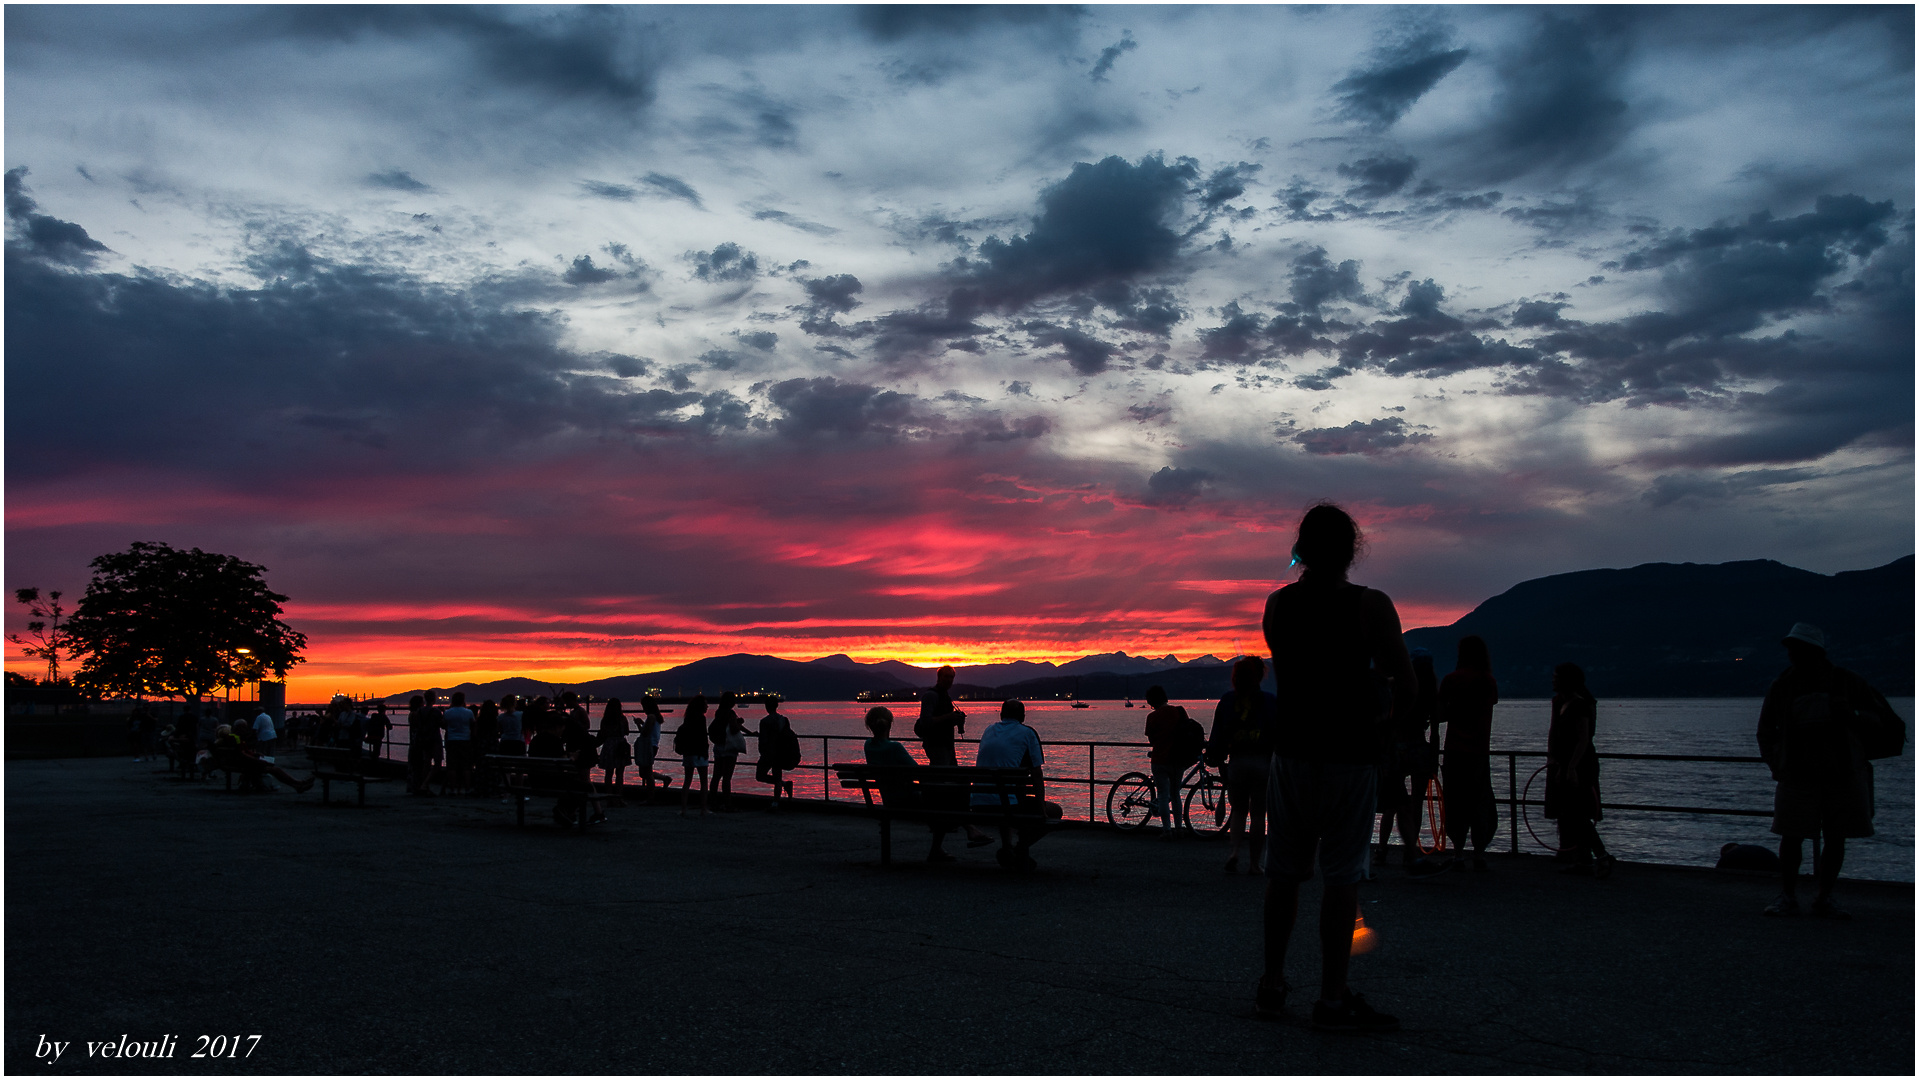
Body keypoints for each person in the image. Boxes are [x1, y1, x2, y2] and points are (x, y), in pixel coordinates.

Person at [1257, 502, 1412, 1033]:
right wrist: (1385, 710)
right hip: (1349, 755)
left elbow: (1294, 669)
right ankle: (1332, 996)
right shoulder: (1371, 606)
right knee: (1342, 875)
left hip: (1291, 753)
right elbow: (1402, 678)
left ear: (1301, 548)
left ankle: (1272, 983)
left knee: (1284, 873)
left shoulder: (1277, 607)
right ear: (1351, 551)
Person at [1756, 623, 1899, 920]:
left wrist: (1853, 715)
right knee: (1792, 835)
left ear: (1815, 651)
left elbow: (1884, 722)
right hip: (1798, 774)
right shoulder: (1782, 686)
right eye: (1791, 648)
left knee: (1835, 836)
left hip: (1842, 773)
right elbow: (1766, 730)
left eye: (1798, 648)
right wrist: (1776, 764)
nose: (1792, 653)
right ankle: (1789, 895)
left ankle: (1822, 896)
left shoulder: (1849, 683)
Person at [1208, 659, 1279, 872]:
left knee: (1238, 810)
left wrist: (1216, 758)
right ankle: (1255, 864)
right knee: (1258, 814)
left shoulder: (1227, 700)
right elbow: (1279, 734)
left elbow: (1218, 734)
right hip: (1263, 763)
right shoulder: (1270, 701)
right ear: (1260, 676)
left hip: (1236, 762)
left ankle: (1234, 852)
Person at [973, 699, 1060, 870]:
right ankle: (1020, 850)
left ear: (1001, 714)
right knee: (1054, 811)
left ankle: (1008, 850)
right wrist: (1041, 807)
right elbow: (1037, 773)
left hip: (978, 803)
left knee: (1007, 797)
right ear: (1023, 716)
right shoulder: (1027, 733)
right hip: (1005, 806)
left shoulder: (988, 730)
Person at [1545, 662, 1614, 878]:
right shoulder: (1564, 703)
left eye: (1556, 676)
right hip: (1567, 763)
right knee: (1569, 812)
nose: (1553, 679)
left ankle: (1602, 856)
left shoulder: (1580, 705)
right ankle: (1585, 860)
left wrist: (1572, 767)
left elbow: (1584, 739)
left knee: (1577, 813)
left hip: (1580, 765)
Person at [864, 706, 956, 862]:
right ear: (890, 724)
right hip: (907, 799)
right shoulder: (895, 747)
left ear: (870, 726)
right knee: (943, 800)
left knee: (938, 800)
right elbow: (918, 771)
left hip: (888, 800)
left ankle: (967, 828)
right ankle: (937, 849)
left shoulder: (868, 746)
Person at [1439, 636, 1499, 871]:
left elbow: (1441, 714)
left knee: (1455, 801)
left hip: (1455, 750)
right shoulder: (1488, 681)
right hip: (1480, 751)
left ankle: (1458, 853)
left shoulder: (1451, 680)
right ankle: (1480, 853)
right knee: (1480, 800)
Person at [916, 666, 991, 846]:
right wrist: (949, 717)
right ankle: (967, 826)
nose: (949, 680)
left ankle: (960, 827)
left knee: (955, 787)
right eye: (946, 677)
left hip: (947, 748)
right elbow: (926, 721)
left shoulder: (944, 697)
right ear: (938, 677)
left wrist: (955, 721)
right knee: (951, 788)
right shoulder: (931, 696)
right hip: (938, 747)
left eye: (952, 677)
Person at [1143, 686, 1197, 832]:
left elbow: (1152, 741)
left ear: (1151, 701)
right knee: (1175, 794)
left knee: (1162, 795)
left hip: (1159, 759)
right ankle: (1179, 828)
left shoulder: (1152, 717)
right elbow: (1188, 731)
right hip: (1177, 759)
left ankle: (1167, 830)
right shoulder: (1179, 711)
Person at [755, 696, 798, 809]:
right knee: (777, 775)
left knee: (760, 775)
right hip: (781, 752)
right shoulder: (784, 720)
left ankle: (777, 800)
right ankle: (777, 799)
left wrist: (762, 752)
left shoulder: (764, 722)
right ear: (777, 706)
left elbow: (763, 740)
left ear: (766, 707)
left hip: (769, 753)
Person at [708, 692, 748, 811]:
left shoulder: (718, 712)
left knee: (716, 776)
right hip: (729, 748)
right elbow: (735, 729)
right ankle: (727, 803)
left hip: (718, 746)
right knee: (727, 777)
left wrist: (741, 725)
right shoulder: (731, 713)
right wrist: (740, 723)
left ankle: (713, 802)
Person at [676, 695, 711, 817]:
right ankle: (703, 808)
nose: (707, 706)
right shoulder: (701, 718)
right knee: (703, 782)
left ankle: (684, 809)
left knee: (687, 781)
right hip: (700, 753)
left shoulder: (688, 718)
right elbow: (702, 737)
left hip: (688, 753)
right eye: (706, 704)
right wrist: (705, 752)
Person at [407, 693, 441, 796]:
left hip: (417, 742)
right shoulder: (420, 713)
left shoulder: (414, 714)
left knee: (419, 765)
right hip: (422, 741)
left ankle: (418, 787)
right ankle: (423, 786)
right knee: (423, 764)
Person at [441, 692, 475, 795]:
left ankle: (452, 789)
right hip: (465, 740)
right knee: (466, 766)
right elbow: (473, 725)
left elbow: (443, 725)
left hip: (451, 740)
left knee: (451, 766)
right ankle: (467, 788)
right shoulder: (469, 712)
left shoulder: (447, 713)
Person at [635, 697, 671, 793]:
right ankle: (664, 778)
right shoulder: (655, 717)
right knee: (645, 772)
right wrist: (643, 723)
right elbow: (649, 730)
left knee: (647, 773)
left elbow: (645, 733)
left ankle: (651, 796)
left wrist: (638, 724)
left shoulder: (651, 717)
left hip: (648, 747)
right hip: (652, 746)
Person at [599, 699, 632, 801]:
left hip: (609, 745)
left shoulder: (605, 720)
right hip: (620, 745)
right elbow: (626, 732)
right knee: (620, 774)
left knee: (608, 774)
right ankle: (619, 797)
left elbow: (602, 733)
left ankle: (609, 797)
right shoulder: (622, 719)